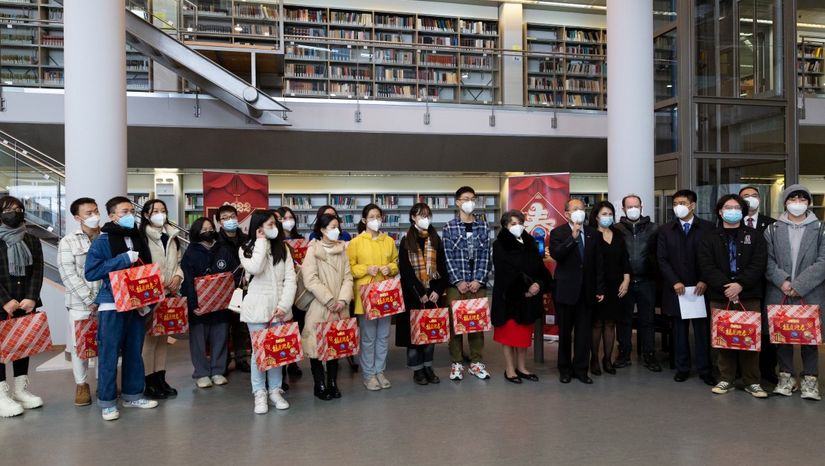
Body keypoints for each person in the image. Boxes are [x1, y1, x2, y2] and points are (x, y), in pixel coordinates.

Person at [85, 196, 159, 421]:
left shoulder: (138, 237)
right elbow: (92, 272)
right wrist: (123, 259)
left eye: (131, 211)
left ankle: (133, 394)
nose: (129, 215)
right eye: (123, 211)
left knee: (134, 350)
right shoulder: (102, 240)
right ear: (112, 215)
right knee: (109, 352)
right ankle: (107, 401)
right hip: (111, 303)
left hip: (137, 302)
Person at [698, 194, 768, 398]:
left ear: (742, 211)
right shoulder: (709, 237)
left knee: (749, 338)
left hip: (749, 294)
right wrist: (726, 287)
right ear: (720, 211)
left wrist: (740, 285)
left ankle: (752, 381)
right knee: (724, 338)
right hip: (720, 295)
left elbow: (759, 263)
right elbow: (706, 266)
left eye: (736, 207)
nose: (732, 210)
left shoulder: (754, 236)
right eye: (727, 207)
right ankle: (725, 378)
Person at [764, 184, 825, 401]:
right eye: (793, 199)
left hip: (810, 292)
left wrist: (799, 284)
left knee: (809, 338)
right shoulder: (772, 229)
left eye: (802, 199)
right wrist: (783, 281)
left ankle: (810, 380)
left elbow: (823, 261)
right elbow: (767, 260)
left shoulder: (820, 228)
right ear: (785, 202)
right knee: (783, 337)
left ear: (808, 202)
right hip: (779, 291)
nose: (797, 203)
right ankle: (786, 377)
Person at [239, 211, 296, 414]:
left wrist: (284, 305)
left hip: (279, 308)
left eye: (274, 224)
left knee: (276, 351)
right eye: (268, 224)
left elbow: (290, 279)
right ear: (258, 228)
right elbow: (255, 268)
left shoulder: (284, 249)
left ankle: (275, 390)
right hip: (256, 307)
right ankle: (259, 392)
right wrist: (261, 242)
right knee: (258, 353)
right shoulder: (246, 248)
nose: (274, 227)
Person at [658, 190, 715, 385]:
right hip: (677, 289)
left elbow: (714, 259)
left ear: (693, 205)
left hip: (701, 289)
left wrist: (705, 280)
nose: (678, 206)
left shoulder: (708, 228)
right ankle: (682, 368)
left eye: (682, 202)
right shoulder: (666, 230)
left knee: (702, 332)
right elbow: (662, 259)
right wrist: (674, 281)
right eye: (675, 203)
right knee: (679, 332)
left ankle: (705, 369)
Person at [492, 210, 552, 383]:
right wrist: (524, 288)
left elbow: (540, 268)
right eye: (513, 223)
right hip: (509, 296)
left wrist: (538, 284)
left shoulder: (530, 241)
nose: (517, 226)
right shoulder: (499, 244)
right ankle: (509, 369)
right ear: (505, 225)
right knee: (509, 335)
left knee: (524, 335)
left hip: (529, 297)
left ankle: (522, 367)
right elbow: (504, 272)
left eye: (520, 222)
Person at [549, 198, 604, 384]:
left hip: (587, 291)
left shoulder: (592, 233)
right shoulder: (558, 232)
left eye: (582, 208)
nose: (579, 211)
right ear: (566, 213)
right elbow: (557, 254)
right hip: (566, 290)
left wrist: (600, 287)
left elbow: (598, 262)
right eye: (575, 209)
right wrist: (572, 237)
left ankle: (581, 369)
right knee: (565, 333)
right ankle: (564, 369)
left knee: (584, 332)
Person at [0, 196, 45, 418]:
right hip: (3, 302)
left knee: (22, 345)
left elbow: (37, 271)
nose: (14, 213)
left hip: (25, 302)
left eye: (18, 209)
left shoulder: (32, 239)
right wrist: (4, 300)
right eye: (8, 209)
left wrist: (31, 297)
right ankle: (1, 395)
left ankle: (20, 390)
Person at [442, 186, 493, 381]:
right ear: (457, 202)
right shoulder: (449, 227)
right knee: (456, 325)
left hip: (477, 284)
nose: (469, 202)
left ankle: (476, 363)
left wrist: (478, 280)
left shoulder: (483, 226)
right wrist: (458, 281)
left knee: (476, 324)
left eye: (472, 198)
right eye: (465, 198)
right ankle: (456, 363)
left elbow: (486, 256)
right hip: (457, 285)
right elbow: (447, 257)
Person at [300, 214, 353, 400]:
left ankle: (332, 382)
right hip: (320, 305)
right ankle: (319, 384)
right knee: (315, 345)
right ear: (322, 230)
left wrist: (343, 300)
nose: (336, 230)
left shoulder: (343, 249)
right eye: (332, 227)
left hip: (340, 306)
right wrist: (330, 300)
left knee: (335, 343)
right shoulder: (313, 250)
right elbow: (310, 279)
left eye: (337, 226)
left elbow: (348, 277)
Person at [396, 203, 449, 385]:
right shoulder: (406, 240)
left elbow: (442, 267)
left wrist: (437, 290)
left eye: (428, 215)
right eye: (421, 215)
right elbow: (405, 270)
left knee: (430, 332)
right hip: (413, 295)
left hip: (433, 295)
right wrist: (419, 292)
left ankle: (428, 366)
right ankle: (417, 370)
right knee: (414, 336)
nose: (425, 219)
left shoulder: (435, 238)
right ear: (413, 217)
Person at [57, 197, 102, 407]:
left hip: (107, 302)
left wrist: (102, 299)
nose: (94, 216)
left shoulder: (108, 237)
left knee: (106, 343)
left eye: (96, 211)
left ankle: (104, 383)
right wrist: (89, 299)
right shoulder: (68, 241)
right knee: (80, 346)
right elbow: (68, 275)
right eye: (88, 213)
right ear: (77, 218)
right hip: (79, 304)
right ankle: (82, 385)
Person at [348, 203, 399, 390]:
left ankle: (380, 371)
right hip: (366, 296)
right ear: (363, 220)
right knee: (368, 337)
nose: (375, 220)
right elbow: (350, 268)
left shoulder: (389, 241)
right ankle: (369, 374)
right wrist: (365, 269)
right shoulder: (355, 243)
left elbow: (395, 262)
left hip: (385, 296)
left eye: (378, 216)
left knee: (384, 336)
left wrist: (390, 268)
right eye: (371, 217)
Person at [139, 199, 184, 400]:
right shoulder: (141, 237)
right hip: (151, 295)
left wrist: (178, 277)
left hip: (169, 294)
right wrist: (163, 281)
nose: (160, 214)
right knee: (150, 340)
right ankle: (148, 381)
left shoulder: (172, 236)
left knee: (163, 339)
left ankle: (160, 377)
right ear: (146, 215)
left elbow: (178, 263)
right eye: (155, 211)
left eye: (163, 210)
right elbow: (142, 267)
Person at [181, 217, 231, 389]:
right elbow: (187, 281)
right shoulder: (190, 252)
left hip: (221, 305)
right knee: (198, 341)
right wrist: (193, 305)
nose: (207, 231)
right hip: (199, 306)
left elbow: (233, 273)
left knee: (220, 337)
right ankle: (201, 373)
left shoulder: (223, 249)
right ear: (196, 232)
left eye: (210, 228)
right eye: (203, 229)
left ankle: (218, 370)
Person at [613, 194, 659, 371]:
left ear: (642, 207)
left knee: (647, 320)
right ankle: (623, 353)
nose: (633, 209)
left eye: (636, 206)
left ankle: (649, 355)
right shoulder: (616, 229)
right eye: (629, 206)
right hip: (623, 283)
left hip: (647, 281)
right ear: (623, 209)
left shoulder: (654, 228)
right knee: (623, 320)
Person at [739, 185, 778, 385]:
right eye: (745, 196)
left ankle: (768, 369)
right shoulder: (730, 224)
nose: (750, 199)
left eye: (753, 196)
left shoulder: (771, 225)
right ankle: (741, 371)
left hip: (767, 284)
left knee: (766, 330)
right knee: (742, 328)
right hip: (741, 286)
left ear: (760, 199)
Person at [589, 202, 630, 376]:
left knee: (611, 323)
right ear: (596, 216)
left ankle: (607, 359)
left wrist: (626, 279)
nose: (607, 217)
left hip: (616, 285)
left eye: (610, 213)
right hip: (597, 285)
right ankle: (594, 359)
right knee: (597, 323)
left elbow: (625, 259)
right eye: (604, 213)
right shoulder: (591, 235)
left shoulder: (618, 234)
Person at [216, 205, 251, 373]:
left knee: (241, 326)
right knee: (223, 328)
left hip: (244, 288)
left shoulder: (246, 239)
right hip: (223, 289)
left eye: (232, 216)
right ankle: (223, 362)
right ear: (219, 222)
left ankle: (241, 359)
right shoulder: (216, 241)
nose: (229, 220)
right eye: (225, 218)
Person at [276, 206, 304, 382]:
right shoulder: (276, 243)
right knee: (282, 328)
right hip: (282, 290)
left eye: (290, 217)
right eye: (284, 218)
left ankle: (293, 360)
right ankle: (281, 367)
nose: (288, 220)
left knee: (298, 326)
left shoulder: (301, 240)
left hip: (299, 290)